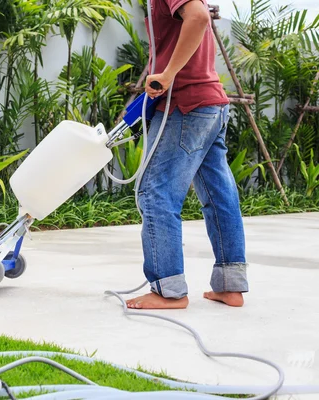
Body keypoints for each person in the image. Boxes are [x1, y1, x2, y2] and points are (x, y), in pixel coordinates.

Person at [125, 0, 249, 309]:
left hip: (187, 106)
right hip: (210, 104)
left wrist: (167, 75)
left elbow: (197, 16)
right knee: (218, 194)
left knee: (156, 191)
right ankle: (230, 286)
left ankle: (167, 290)